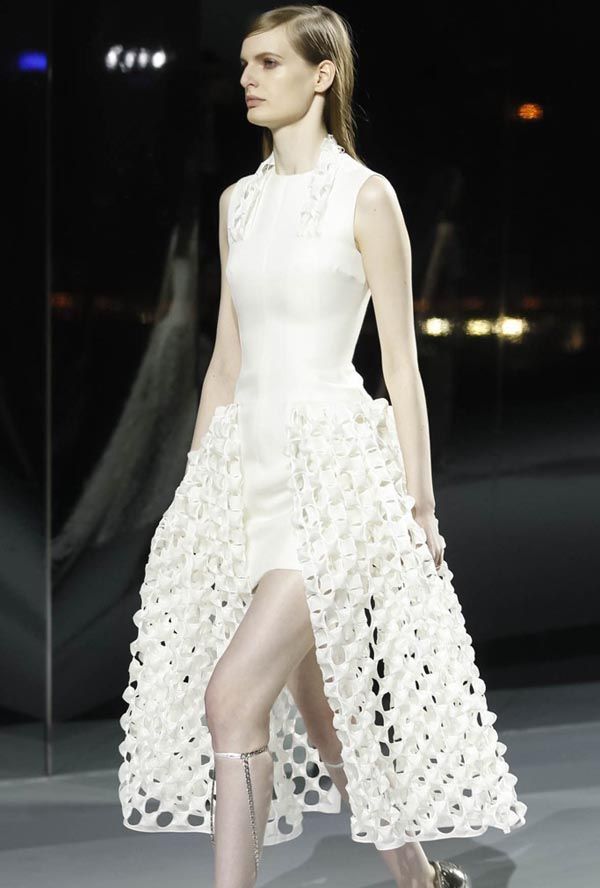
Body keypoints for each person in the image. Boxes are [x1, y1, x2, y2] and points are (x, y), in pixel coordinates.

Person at [118, 6, 527, 887]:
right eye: (243, 64)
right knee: (323, 711)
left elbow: (401, 369)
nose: (247, 78)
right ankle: (418, 878)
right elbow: (226, 361)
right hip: (248, 478)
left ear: (322, 74)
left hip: (330, 485)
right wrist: (196, 492)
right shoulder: (238, 202)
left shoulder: (365, 197)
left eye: (268, 62)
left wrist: (419, 505)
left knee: (231, 699)